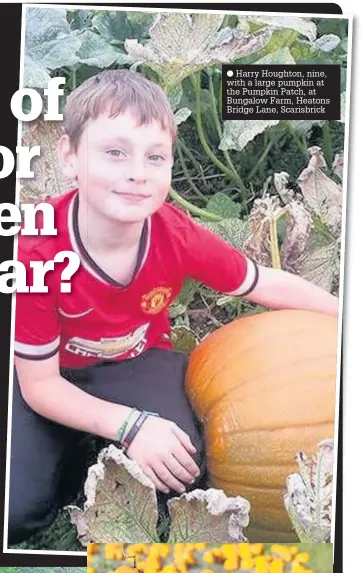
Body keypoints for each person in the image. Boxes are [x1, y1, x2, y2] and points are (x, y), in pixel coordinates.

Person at [9, 69, 339, 544]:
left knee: (186, 471)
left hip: (135, 363)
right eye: (115, 152)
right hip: (48, 374)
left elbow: (261, 282)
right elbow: (40, 386)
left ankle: (99, 448)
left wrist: (349, 321)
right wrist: (131, 425)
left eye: (155, 156)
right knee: (19, 511)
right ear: (69, 157)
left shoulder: (174, 232)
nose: (136, 172)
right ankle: (68, 458)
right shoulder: (34, 252)